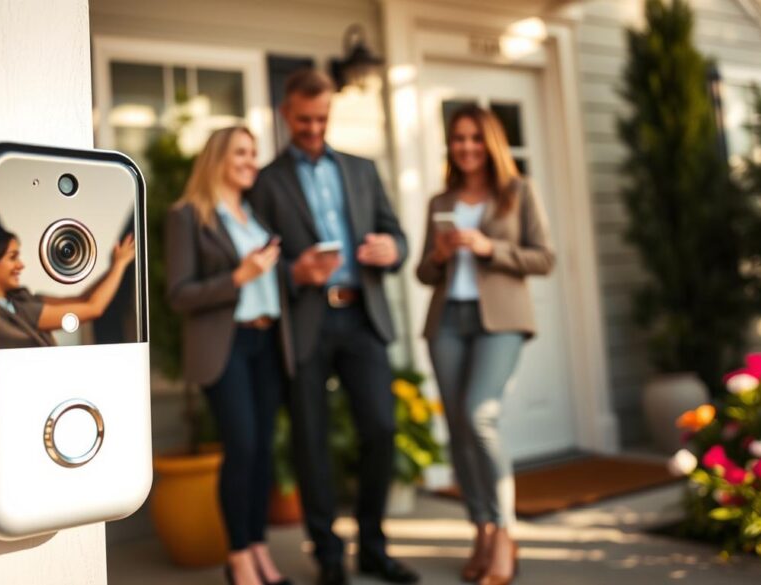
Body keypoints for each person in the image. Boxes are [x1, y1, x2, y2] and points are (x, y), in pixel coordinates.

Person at [249, 69, 418, 585]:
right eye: (304, 119)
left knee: (382, 428)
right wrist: (293, 271)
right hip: (306, 321)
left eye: (322, 118)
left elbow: (396, 236)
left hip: (362, 316)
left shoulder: (362, 170)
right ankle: (326, 553)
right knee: (311, 440)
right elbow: (253, 257)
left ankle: (372, 545)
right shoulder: (266, 181)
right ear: (285, 113)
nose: (313, 128)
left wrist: (393, 251)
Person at [415, 104, 555, 585]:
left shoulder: (517, 192)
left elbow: (544, 258)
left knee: (480, 415)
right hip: (448, 320)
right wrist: (438, 254)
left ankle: (505, 533)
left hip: (501, 320)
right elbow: (423, 274)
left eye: (475, 137)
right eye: (458, 138)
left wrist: (487, 248)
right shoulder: (440, 201)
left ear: (490, 141)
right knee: (457, 427)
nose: (467, 146)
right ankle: (480, 526)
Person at [165, 126, 294, 585]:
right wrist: (239, 275)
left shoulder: (253, 216)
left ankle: (258, 547)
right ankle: (238, 556)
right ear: (217, 157)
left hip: (267, 342)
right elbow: (179, 294)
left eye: (254, 153)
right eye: (241, 152)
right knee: (240, 447)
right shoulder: (188, 216)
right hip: (227, 345)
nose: (251, 161)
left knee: (261, 452)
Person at [0, 223, 135, 348]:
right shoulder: (18, 311)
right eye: (12, 257)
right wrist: (120, 264)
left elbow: (84, 299)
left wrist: (114, 268)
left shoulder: (21, 299)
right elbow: (94, 308)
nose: (21, 265)